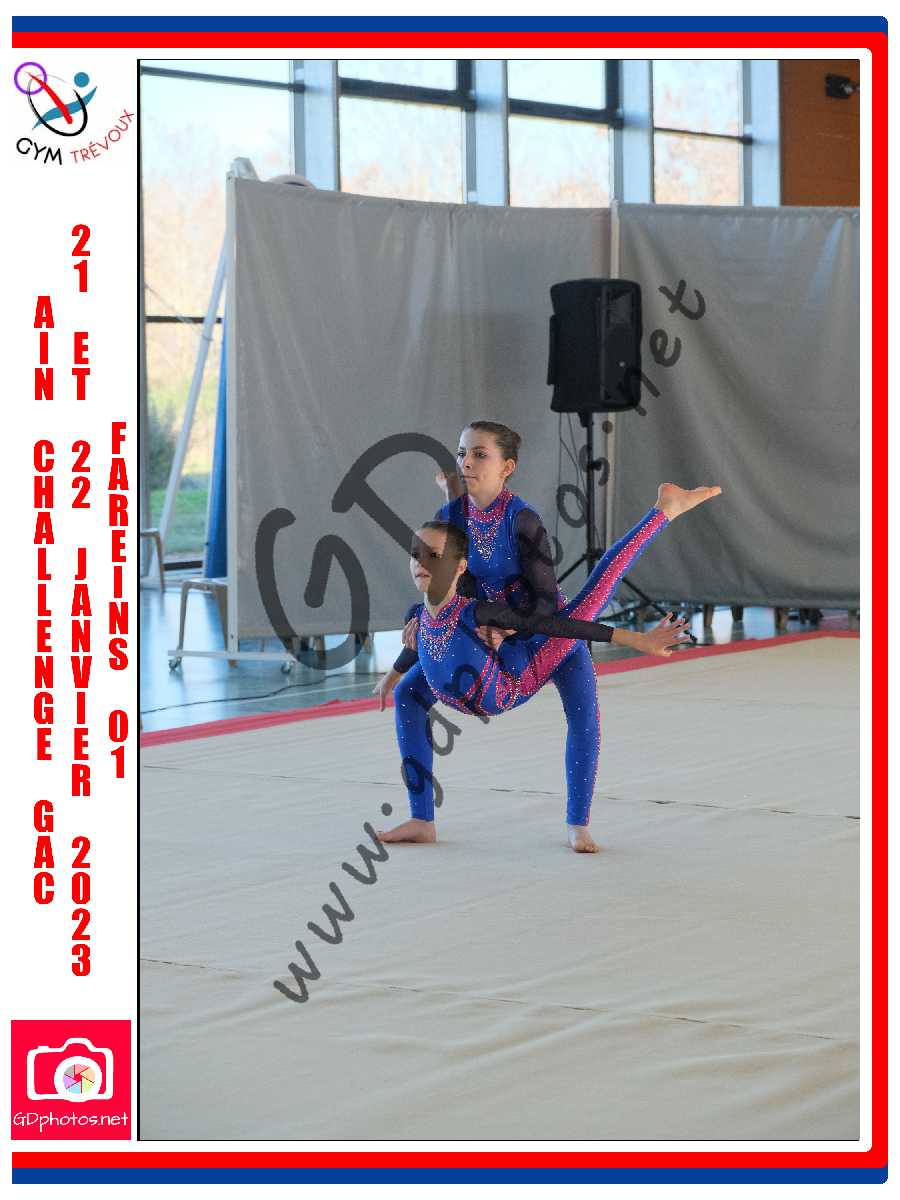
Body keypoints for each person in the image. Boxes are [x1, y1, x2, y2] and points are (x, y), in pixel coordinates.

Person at [375, 481, 722, 852]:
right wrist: (393, 674)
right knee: (407, 692)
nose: (420, 563)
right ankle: (421, 820)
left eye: (432, 555)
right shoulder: (418, 616)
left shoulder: (481, 609)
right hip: (495, 661)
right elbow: (422, 642)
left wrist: (637, 640)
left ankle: (578, 824)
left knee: (585, 612)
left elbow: (560, 626)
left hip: (519, 675)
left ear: (460, 566)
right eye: (415, 554)